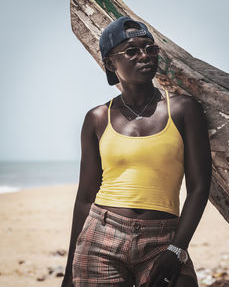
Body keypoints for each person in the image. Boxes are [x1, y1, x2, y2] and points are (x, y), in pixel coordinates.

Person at [61, 16, 212, 287]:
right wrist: (69, 272)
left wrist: (177, 249)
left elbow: (200, 187)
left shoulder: (183, 110)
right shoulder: (97, 118)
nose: (144, 56)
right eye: (131, 50)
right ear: (110, 63)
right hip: (101, 238)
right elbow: (85, 197)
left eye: (150, 48)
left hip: (163, 238)